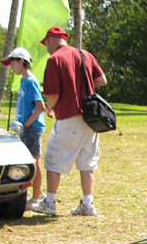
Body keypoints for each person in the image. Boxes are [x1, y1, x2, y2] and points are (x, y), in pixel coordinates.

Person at [33, 26, 108, 217]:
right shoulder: (85, 55)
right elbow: (102, 80)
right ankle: (87, 203)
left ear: (51, 40)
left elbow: (53, 94)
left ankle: (49, 202)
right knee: (87, 162)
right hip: (91, 117)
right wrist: (83, 85)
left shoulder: (55, 60)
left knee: (54, 160)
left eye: (46, 43)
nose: (46, 48)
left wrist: (49, 107)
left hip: (69, 115)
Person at [2, 46, 46, 209]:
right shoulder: (23, 80)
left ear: (21, 62)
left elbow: (40, 106)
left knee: (34, 161)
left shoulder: (30, 81)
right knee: (29, 161)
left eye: (13, 63)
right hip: (24, 127)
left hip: (31, 128)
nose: (11, 67)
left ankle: (35, 199)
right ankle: (38, 192)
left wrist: (26, 124)